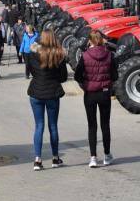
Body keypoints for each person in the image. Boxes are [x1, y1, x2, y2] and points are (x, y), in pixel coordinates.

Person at [74, 30, 118, 168]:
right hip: (104, 92)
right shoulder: (109, 55)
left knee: (92, 125)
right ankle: (107, 155)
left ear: (90, 41)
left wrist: (85, 84)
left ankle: (93, 157)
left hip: (90, 93)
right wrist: (108, 83)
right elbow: (115, 75)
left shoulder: (85, 56)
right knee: (105, 125)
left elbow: (77, 75)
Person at [26, 30, 68, 170]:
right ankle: (55, 158)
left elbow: (31, 71)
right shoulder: (58, 55)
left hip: (36, 91)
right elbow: (63, 77)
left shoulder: (33, 53)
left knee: (39, 126)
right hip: (52, 92)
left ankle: (37, 160)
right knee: (53, 126)